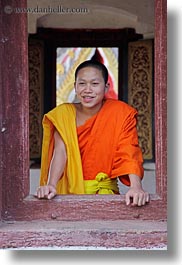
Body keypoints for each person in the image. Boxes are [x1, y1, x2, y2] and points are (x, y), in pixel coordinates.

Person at [37, 60, 150, 206]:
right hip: (69, 195)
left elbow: (128, 151)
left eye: (95, 84)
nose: (87, 90)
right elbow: (60, 151)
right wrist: (51, 184)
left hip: (105, 197)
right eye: (82, 84)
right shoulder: (64, 114)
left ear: (106, 87)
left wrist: (136, 187)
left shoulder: (120, 113)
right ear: (75, 87)